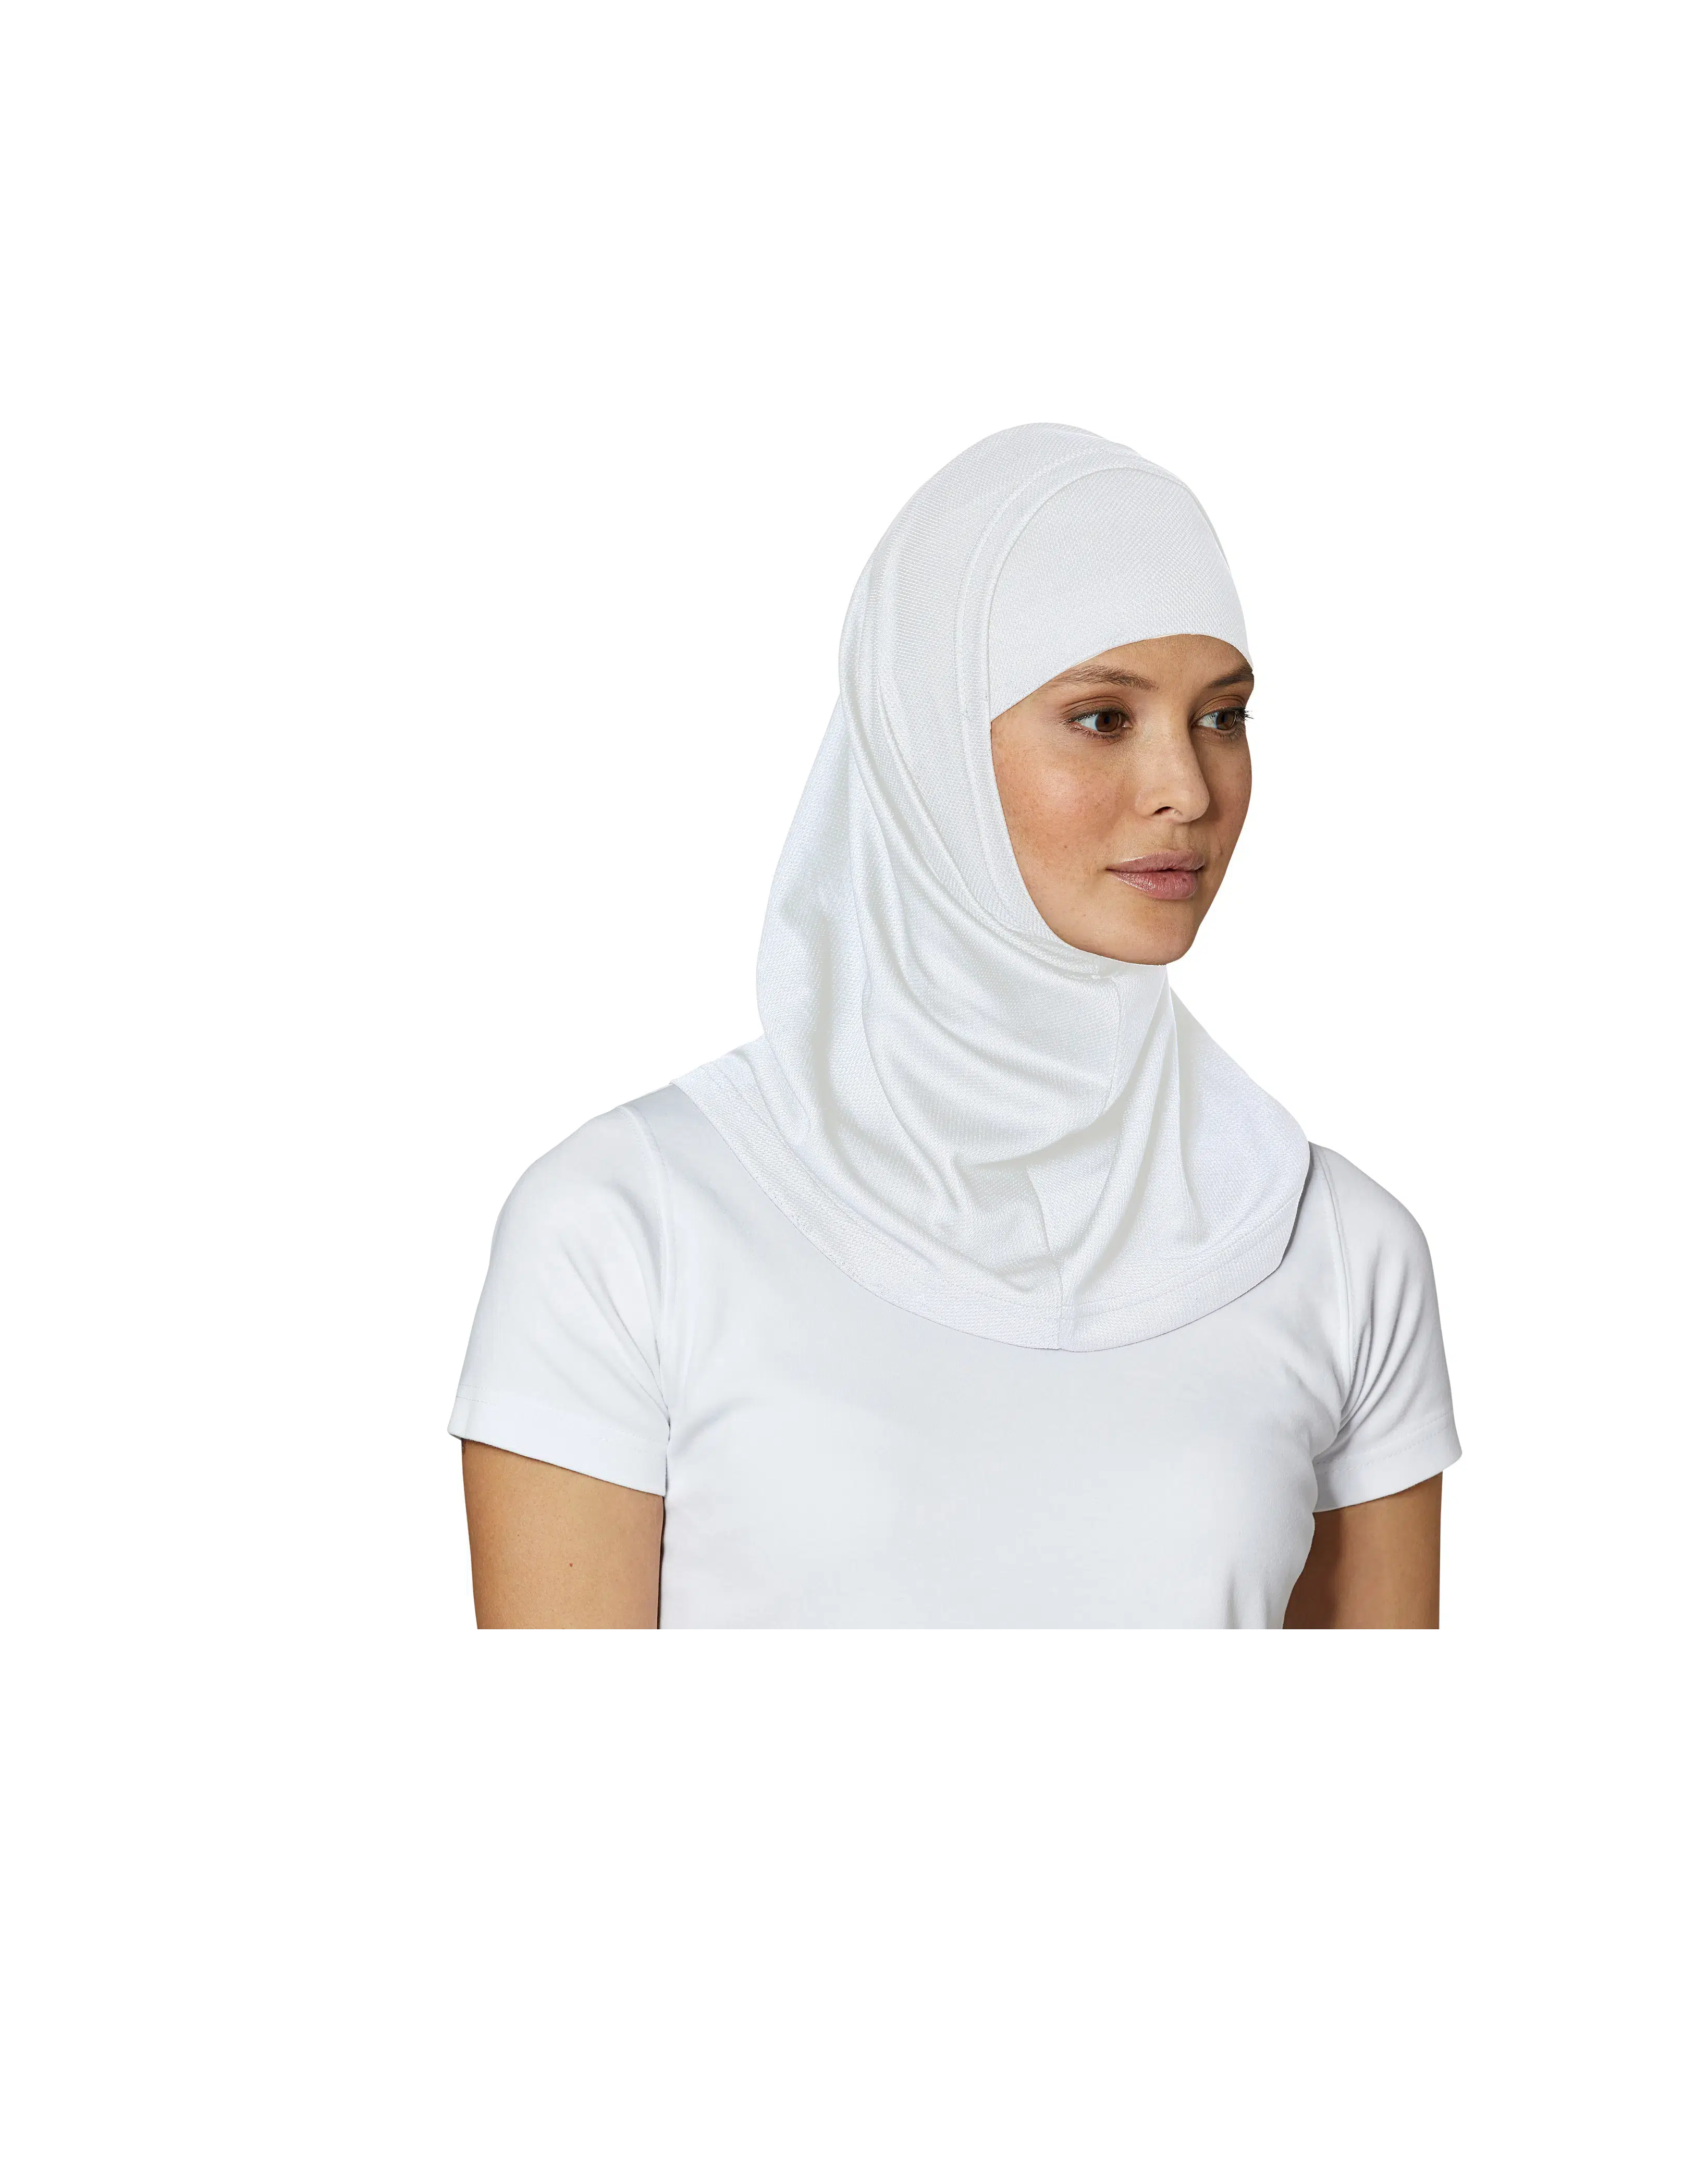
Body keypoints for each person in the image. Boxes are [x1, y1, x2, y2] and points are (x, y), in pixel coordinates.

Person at [450, 426, 1459, 1628]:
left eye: (1223, 717)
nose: (1187, 789)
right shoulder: (633, 1224)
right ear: (926, 738)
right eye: (1104, 718)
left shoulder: (1331, 1247)